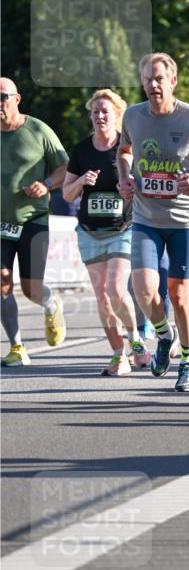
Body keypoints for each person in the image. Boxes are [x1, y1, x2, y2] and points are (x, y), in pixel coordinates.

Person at [117, 52, 189, 392]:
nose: (152, 84)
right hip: (146, 217)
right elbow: (124, 150)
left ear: (172, 81)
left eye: (159, 78)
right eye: (147, 78)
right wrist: (124, 178)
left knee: (178, 295)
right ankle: (165, 336)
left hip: (184, 220)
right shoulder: (133, 116)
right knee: (143, 289)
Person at [63, 89, 151, 376]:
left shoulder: (127, 149)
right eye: (95, 111)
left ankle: (135, 341)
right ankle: (118, 354)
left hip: (122, 229)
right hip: (89, 231)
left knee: (115, 288)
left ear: (117, 116)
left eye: (105, 111)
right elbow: (66, 193)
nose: (100, 116)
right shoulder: (81, 150)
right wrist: (82, 183)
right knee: (101, 296)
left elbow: (143, 187)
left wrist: (129, 189)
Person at [1, 78, 68, 366]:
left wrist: (47, 183)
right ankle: (17, 347)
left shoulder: (38, 129)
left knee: (31, 289)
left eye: (2, 96)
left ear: (17, 99)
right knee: (2, 283)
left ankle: (51, 304)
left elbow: (65, 168)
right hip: (1, 224)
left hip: (33, 220)